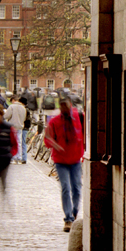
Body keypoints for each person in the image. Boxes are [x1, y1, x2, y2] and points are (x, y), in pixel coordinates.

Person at [44, 96, 84, 232]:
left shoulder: (79, 117)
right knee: (66, 188)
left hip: (75, 159)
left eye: (66, 106)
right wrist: (54, 144)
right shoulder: (54, 121)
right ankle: (68, 218)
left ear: (70, 105)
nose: (64, 109)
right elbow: (47, 139)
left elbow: (85, 133)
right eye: (62, 107)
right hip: (61, 160)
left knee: (77, 188)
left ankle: (74, 212)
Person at [4, 94, 26, 163]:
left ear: (13, 100)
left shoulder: (11, 106)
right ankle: (19, 157)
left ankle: (13, 157)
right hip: (20, 126)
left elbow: (6, 116)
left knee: (12, 142)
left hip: (12, 126)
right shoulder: (23, 107)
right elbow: (24, 118)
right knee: (19, 142)